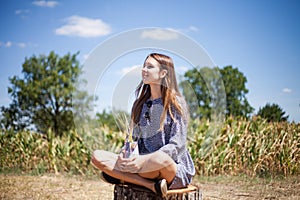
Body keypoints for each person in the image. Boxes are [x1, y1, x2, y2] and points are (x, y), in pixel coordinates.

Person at [91, 53, 195, 197]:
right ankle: (151, 185)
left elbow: (177, 145)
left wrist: (145, 160)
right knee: (97, 156)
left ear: (163, 73)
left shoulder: (176, 103)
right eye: (144, 66)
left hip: (171, 167)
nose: (144, 70)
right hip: (142, 165)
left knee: (158, 159)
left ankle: (125, 177)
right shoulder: (140, 104)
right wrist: (124, 154)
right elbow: (133, 140)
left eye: (150, 67)